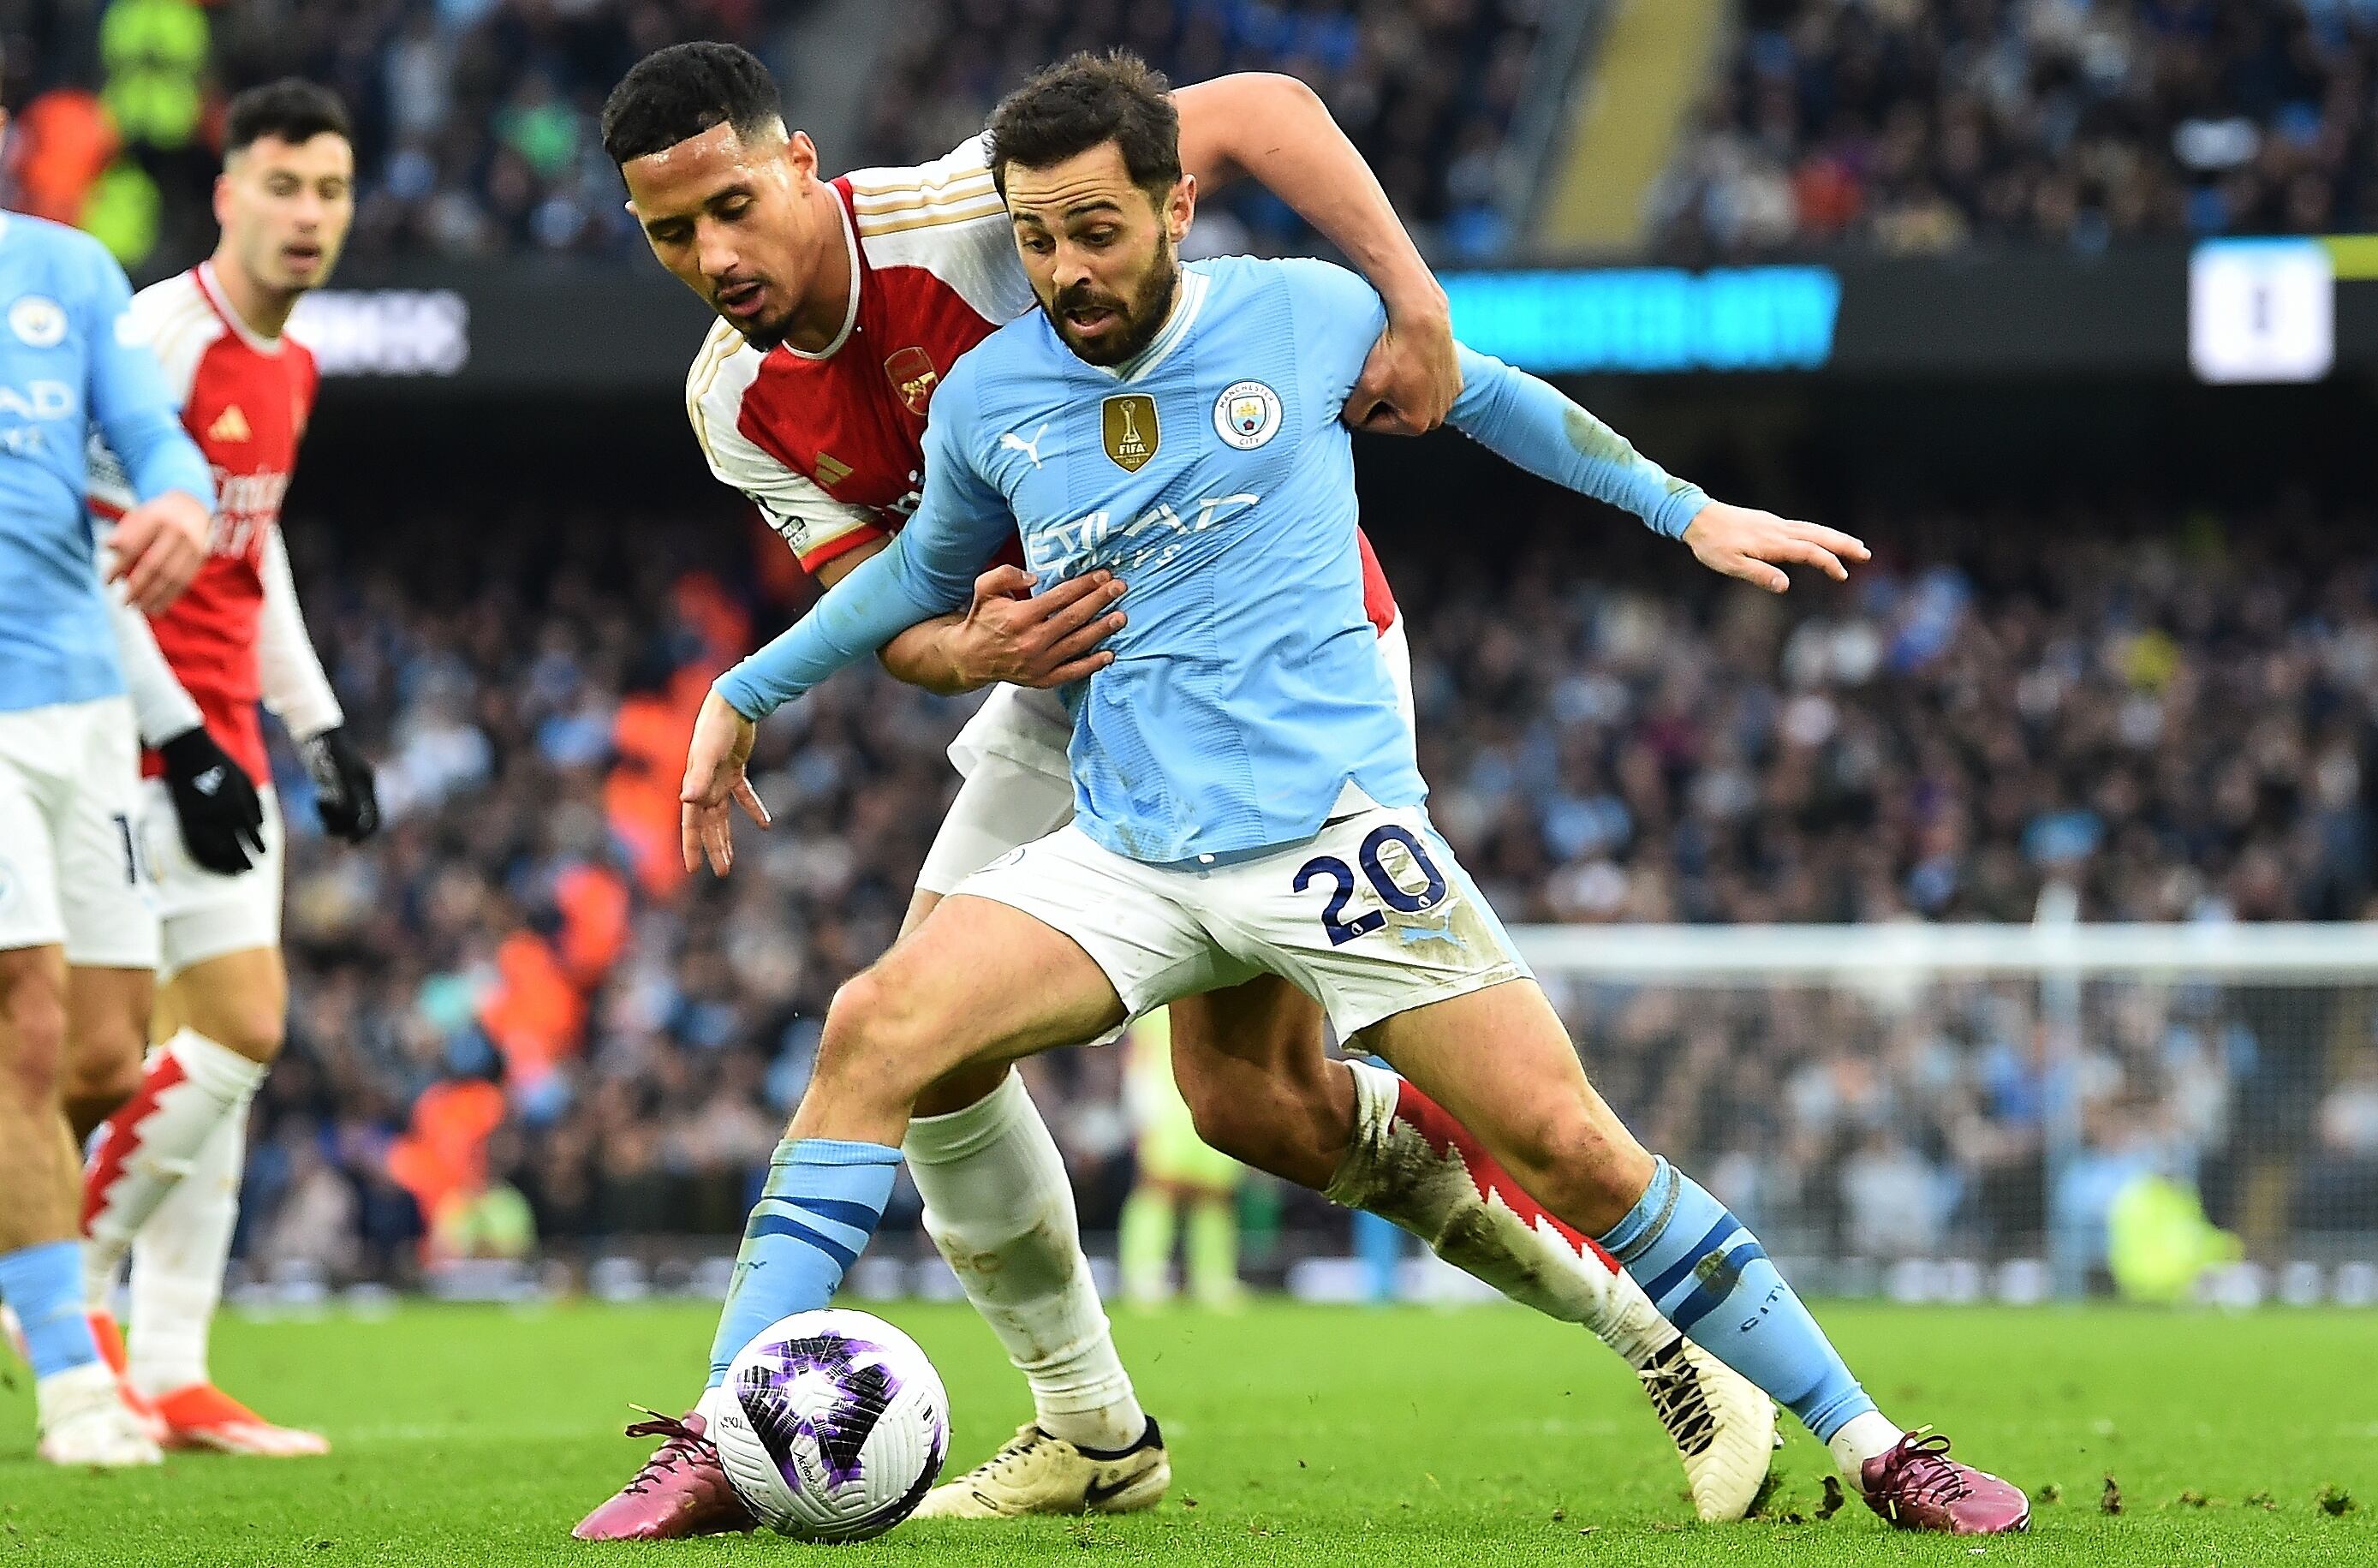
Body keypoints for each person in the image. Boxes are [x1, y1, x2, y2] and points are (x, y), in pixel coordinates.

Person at [676, 51, 2031, 1535]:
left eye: (1094, 232)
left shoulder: (1296, 312)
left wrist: (1681, 508)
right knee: (884, 1030)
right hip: (1125, 827)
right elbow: (911, 588)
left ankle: (1870, 1441)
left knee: (1553, 1141)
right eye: (1040, 241)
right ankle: (745, 1431)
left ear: (1175, 209)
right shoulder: (974, 396)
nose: (1061, 270)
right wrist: (745, 694)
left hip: (1324, 823)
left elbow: (1481, 389)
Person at [74, 77, 378, 1458]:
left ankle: (172, 1366)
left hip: (225, 738)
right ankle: (61, 1282)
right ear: (227, 194)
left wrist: (316, 723)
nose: (308, 214)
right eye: (282, 186)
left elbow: (256, 555)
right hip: (130, 739)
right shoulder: (159, 336)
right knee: (225, 1030)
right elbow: (84, 550)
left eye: (330, 190)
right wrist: (183, 735)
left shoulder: (290, 363)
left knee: (217, 1055)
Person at [0, 88, 217, 1467]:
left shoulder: (66, 270)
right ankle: (74, 1374)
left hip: (85, 704)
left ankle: (17, 1240)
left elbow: (151, 432)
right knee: (23, 1027)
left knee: (101, 1052)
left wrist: (181, 493)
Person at [1117, 1011, 1245, 1309]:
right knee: (1158, 1189)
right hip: (1166, 1106)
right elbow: (1139, 1052)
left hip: (1215, 1101)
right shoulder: (1159, 1004)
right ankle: (1144, 1275)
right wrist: (1139, 1108)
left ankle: (1214, 1280)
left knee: (1215, 1195)